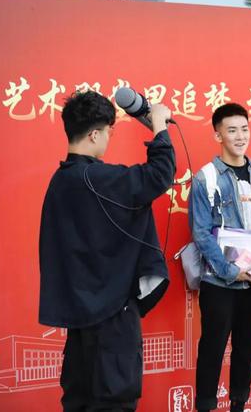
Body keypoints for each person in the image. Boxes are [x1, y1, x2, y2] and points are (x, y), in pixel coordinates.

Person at [38, 91, 176, 411]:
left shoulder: (61, 181)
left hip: (79, 316)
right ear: (94, 134)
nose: (109, 139)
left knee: (79, 400)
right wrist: (158, 124)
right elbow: (159, 174)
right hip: (111, 316)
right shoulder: (95, 178)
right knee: (115, 400)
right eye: (109, 132)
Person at [188, 103, 251, 412]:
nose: (240, 136)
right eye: (232, 130)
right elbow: (201, 233)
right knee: (212, 349)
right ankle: (205, 407)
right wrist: (231, 271)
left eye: (244, 129)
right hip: (220, 282)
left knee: (247, 349)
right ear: (218, 135)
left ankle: (239, 406)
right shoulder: (206, 178)